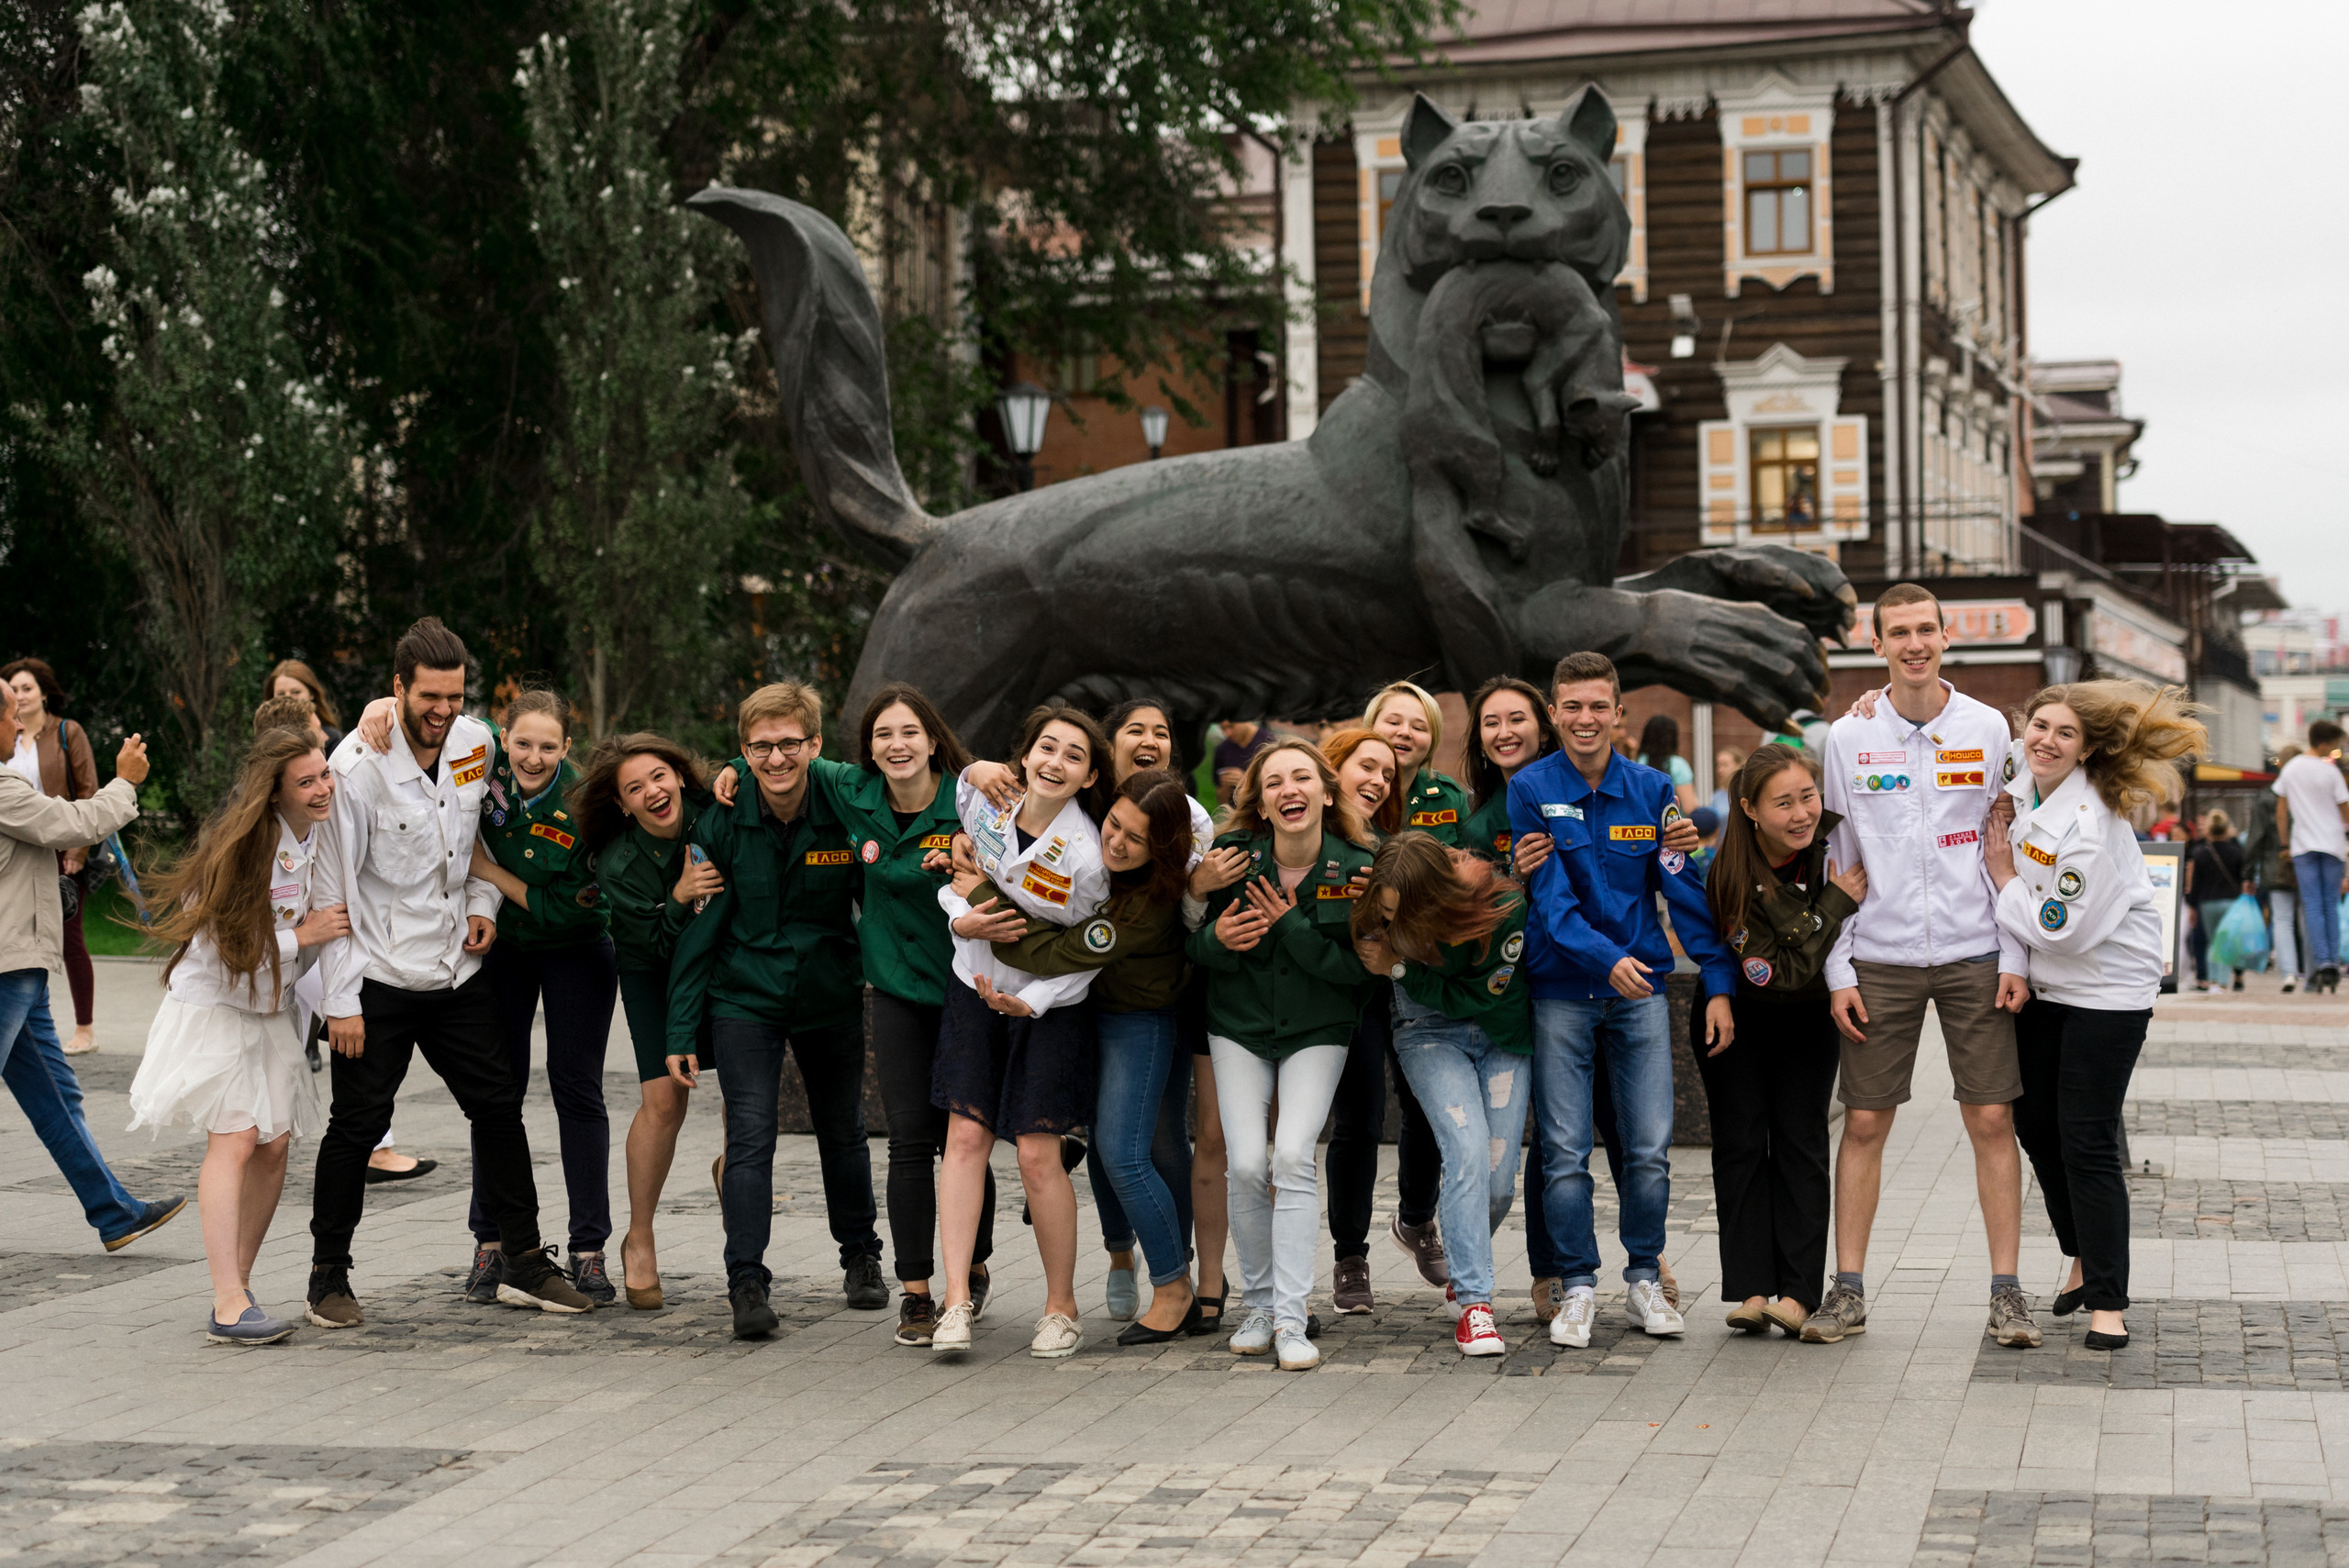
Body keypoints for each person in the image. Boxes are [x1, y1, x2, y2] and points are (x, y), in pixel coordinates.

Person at [306, 617, 588, 1328]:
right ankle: (327, 1277)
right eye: (428, 695)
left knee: (498, 1108)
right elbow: (332, 891)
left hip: (456, 970)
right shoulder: (356, 768)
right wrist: (339, 1001)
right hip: (378, 977)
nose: (443, 710)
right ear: (396, 687)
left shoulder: (477, 743)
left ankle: (523, 1260)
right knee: (357, 1124)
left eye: (455, 695)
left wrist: (485, 901)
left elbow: (478, 845)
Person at [1814, 583, 2036, 1351]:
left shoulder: (1988, 728)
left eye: (1926, 629)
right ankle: (1848, 1289)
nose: (1914, 643)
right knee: (1867, 1119)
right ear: (1875, 645)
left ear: (1947, 637)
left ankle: (2007, 1292)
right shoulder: (1847, 738)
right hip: (1881, 951)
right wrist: (1839, 969)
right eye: (1898, 632)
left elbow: (2008, 845)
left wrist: (2015, 952)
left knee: (1991, 1116)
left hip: (1977, 948)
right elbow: (1838, 857)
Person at [1507, 651, 1731, 1349]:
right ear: (1554, 713)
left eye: (1597, 705)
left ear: (1618, 712)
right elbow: (1550, 903)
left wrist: (1718, 981)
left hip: (1641, 997)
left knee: (1649, 1150)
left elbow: (1683, 891)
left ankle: (1641, 1276)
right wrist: (1612, 960)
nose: (1584, 718)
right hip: (1564, 992)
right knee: (1565, 1151)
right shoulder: (1530, 788)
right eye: (1571, 706)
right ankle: (1576, 1284)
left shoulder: (1654, 788)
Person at [1985, 682, 2207, 1352]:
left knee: (2086, 1139)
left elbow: (2062, 929)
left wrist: (2002, 877)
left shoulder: (2092, 821)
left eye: (2065, 733)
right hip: (2049, 987)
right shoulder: (2024, 782)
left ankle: (2108, 1301)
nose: (2045, 740)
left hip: (2107, 990)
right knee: (2034, 1124)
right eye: (2039, 725)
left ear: (2089, 749)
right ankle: (2081, 1252)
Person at [664, 681, 885, 1338]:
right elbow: (703, 929)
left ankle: (862, 1257)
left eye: (791, 743)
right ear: (743, 749)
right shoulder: (722, 819)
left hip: (828, 995)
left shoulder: (844, 799)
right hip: (746, 997)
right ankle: (747, 1279)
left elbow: (897, 784)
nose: (777, 758)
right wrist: (681, 1029)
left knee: (843, 1131)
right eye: (760, 746)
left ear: (814, 745)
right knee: (751, 1137)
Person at [128, 726, 351, 1342]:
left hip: (270, 1009)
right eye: (305, 781)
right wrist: (302, 936)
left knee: (275, 1143)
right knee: (236, 1136)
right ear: (274, 792)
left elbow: (372, 744)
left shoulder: (318, 833)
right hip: (217, 1006)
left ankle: (240, 1285)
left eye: (324, 774)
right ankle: (227, 1299)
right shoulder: (246, 848)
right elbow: (228, 948)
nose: (322, 788)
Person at [991, 768, 1204, 1344]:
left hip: (1140, 1023)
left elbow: (1062, 953)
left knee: (1124, 1153)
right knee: (1144, 1151)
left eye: (1136, 839)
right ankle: (1169, 1278)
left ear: (1162, 848)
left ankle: (1174, 1287)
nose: (1116, 842)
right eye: (1114, 824)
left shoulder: (1149, 903)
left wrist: (996, 920)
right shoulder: (1092, 850)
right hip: (1095, 1018)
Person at [930, 702, 1114, 1357]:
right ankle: (954, 1300)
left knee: (1038, 1154)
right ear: (1025, 754)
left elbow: (1086, 953)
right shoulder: (987, 801)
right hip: (973, 987)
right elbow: (960, 878)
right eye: (1047, 747)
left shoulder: (1089, 856)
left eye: (1074, 755)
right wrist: (961, 917)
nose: (1056, 762)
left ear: (1090, 776)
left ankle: (1061, 1306)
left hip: (1051, 1007)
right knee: (965, 1133)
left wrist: (1033, 1001)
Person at [1189, 741, 1375, 1371]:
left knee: (1293, 1155)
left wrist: (1293, 927)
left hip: (1319, 1028)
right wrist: (1215, 938)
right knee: (1245, 1163)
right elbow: (1192, 947)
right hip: (1237, 1026)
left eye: (1302, 777)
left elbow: (1364, 971)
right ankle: (1262, 1304)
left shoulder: (1358, 868)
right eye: (1274, 782)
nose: (1288, 789)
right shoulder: (1232, 861)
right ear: (1261, 802)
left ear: (1327, 792)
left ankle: (1294, 1319)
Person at [0, 696, 184, 1252]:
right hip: (8, 967)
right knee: (58, 1097)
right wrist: (124, 781)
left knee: (57, 1098)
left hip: (23, 966)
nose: (19, 722)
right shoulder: (3, 790)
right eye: (8, 713)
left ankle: (114, 1212)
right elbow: (74, 823)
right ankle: (113, 1211)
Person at [453, 689, 618, 1304]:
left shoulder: (585, 801)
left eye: (549, 746)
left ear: (567, 747)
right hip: (502, 946)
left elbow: (560, 908)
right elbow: (431, 718)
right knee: (496, 1091)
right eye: (522, 742)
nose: (533, 756)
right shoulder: (484, 764)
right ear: (504, 736)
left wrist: (490, 872)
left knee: (578, 1089)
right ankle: (491, 1242)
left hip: (575, 945)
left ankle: (589, 1250)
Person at [1698, 744, 1865, 1338]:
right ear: (1747, 808)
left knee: (1800, 1143)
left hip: (1808, 1019)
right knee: (1741, 1145)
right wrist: (1834, 904)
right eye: (1783, 803)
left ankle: (1797, 1293)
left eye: (1809, 796)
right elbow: (1784, 968)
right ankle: (1750, 1288)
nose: (1801, 814)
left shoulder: (1837, 842)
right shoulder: (1730, 873)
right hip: (1740, 1016)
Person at [1352, 832, 1533, 1358]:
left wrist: (1401, 969)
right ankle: (1476, 1304)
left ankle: (1460, 1264)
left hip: (1501, 1036)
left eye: (1404, 915)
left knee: (1498, 1182)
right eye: (1387, 914)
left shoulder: (1502, 908)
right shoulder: (1383, 909)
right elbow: (1372, 945)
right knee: (1467, 1154)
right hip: (1428, 1033)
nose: (1393, 925)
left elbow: (1480, 995)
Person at [569, 732, 713, 1309]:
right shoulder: (619, 862)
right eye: (635, 788)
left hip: (723, 964)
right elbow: (652, 946)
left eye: (659, 776)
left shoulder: (715, 815)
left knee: (748, 1092)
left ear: (679, 776)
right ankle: (640, 1235)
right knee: (664, 1101)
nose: (652, 791)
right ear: (623, 805)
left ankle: (737, 1178)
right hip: (652, 970)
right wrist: (678, 895)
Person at [1343, 681, 1461, 1298]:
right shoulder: (1355, 793)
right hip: (1360, 979)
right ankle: (1349, 1253)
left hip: (1421, 975)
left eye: (1419, 725)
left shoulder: (1448, 797)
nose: (1405, 733)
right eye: (1393, 720)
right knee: (1358, 1117)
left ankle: (1416, 1218)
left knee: (1424, 1107)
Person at [4, 659, 99, 1055]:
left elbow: (88, 790)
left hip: (61, 846)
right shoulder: (6, 735)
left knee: (70, 937)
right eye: (15, 690)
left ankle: (85, 1027)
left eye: (27, 688)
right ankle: (30, 1021)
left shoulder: (65, 731)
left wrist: (77, 851)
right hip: (17, 846)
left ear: (43, 692)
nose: (22, 696)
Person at [2273, 720, 2349, 995]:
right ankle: (2332, 961)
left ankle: (2322, 962)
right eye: (2337, 744)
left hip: (2303, 845)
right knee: (2330, 905)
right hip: (2333, 845)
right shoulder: (2331, 773)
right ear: (2325, 743)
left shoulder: (2291, 769)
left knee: (2313, 906)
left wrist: (2284, 842)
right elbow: (2345, 810)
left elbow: (2281, 812)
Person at [2242, 752, 2303, 992]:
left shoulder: (2267, 797)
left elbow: (2256, 837)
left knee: (2282, 920)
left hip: (2275, 865)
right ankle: (2312, 971)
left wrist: (2247, 873)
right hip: (2307, 860)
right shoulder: (2308, 793)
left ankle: (2288, 973)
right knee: (2310, 917)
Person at [2185, 808, 2246, 993]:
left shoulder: (2201, 853)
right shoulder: (2237, 852)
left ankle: (2213, 981)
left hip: (2208, 902)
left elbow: (2195, 883)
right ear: (2227, 828)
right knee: (2227, 942)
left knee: (2212, 942)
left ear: (2209, 829)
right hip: (2230, 902)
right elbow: (2243, 879)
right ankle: (2223, 980)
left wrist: (2192, 906)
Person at [264, 658, 348, 757]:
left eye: (296, 692)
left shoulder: (331, 738)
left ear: (311, 694)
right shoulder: (265, 739)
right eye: (281, 694)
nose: (288, 699)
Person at [1636, 714, 1698, 814]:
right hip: (1672, 826)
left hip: (1642, 826)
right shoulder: (1678, 765)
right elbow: (1689, 807)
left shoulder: (1636, 762)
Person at [1212, 719, 1273, 808]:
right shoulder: (1222, 750)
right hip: (1236, 814)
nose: (1227, 733)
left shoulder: (1271, 744)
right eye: (1223, 728)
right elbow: (1221, 800)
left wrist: (1246, 781)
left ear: (1244, 719)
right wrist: (1226, 787)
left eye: (1230, 726)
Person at [1709, 747, 1744, 821]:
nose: (1720, 770)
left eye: (1725, 765)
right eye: (1718, 765)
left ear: (1739, 766)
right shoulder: (1717, 795)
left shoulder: (1747, 792)